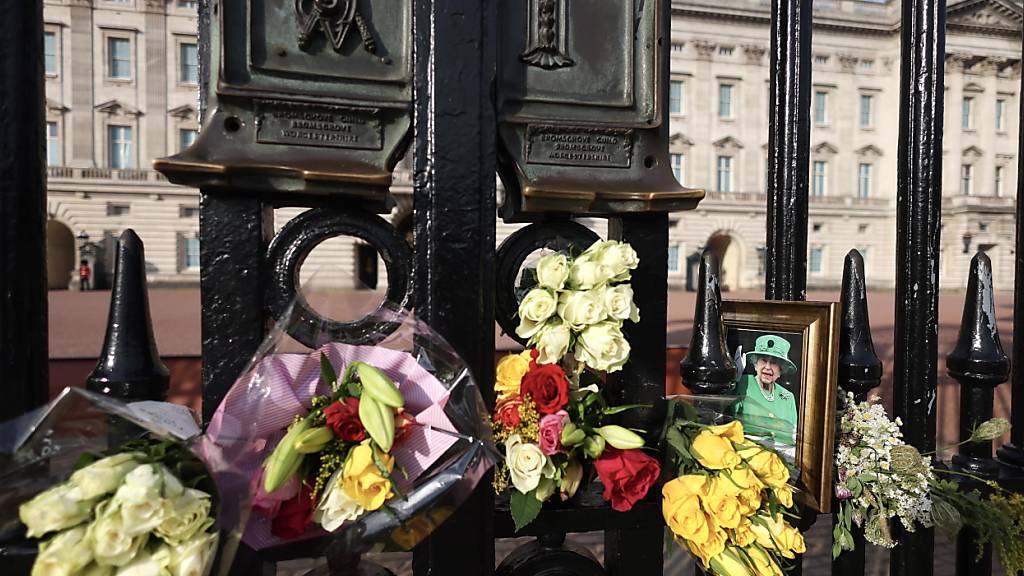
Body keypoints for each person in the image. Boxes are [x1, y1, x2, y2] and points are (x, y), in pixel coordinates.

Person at [734, 334, 798, 447]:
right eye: (763, 360)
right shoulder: (743, 383)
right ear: (755, 364)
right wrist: (732, 383)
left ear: (781, 370)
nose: (768, 367)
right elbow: (725, 416)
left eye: (774, 363)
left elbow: (793, 435)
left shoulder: (788, 397)